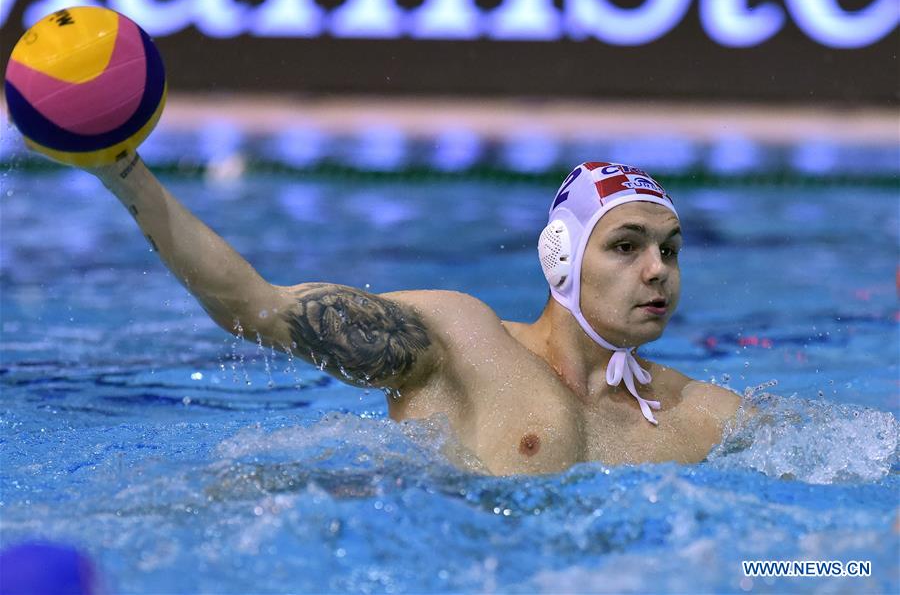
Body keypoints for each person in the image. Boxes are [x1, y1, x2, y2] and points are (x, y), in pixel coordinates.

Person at [88, 155, 741, 475]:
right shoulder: (457, 341)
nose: (658, 269)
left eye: (670, 249)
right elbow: (252, 305)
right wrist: (122, 170)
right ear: (560, 257)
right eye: (626, 246)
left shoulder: (705, 413)